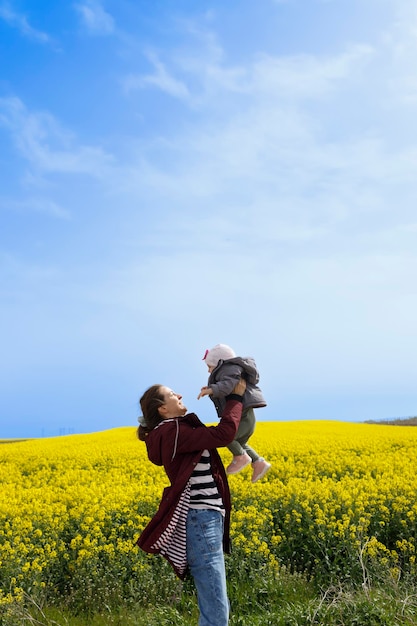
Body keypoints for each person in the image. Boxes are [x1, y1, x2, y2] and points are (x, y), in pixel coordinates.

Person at [136, 378, 246, 626]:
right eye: (173, 394)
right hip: (201, 520)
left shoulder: (173, 431)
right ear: (162, 408)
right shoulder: (173, 431)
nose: (180, 395)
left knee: (215, 603)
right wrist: (235, 398)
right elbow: (223, 434)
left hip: (204, 519)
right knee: (216, 609)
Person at [198, 343, 271, 483]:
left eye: (209, 367)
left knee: (227, 436)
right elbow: (227, 384)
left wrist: (212, 389)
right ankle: (258, 462)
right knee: (239, 443)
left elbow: (228, 384)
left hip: (243, 416)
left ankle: (241, 457)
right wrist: (211, 388)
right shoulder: (230, 370)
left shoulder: (230, 368)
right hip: (246, 416)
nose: (208, 371)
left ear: (219, 363)